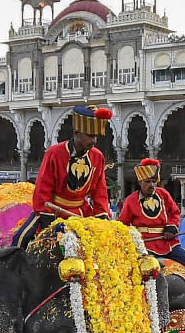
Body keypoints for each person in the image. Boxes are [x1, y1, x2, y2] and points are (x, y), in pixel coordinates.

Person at [12, 105, 112, 247]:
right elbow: (42, 189)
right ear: (76, 132)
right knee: (20, 240)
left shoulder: (98, 156)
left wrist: (101, 217)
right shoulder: (55, 153)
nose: (94, 140)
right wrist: (47, 217)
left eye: (96, 136)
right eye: (90, 136)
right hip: (52, 209)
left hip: (81, 212)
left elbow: (100, 192)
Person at [117, 159, 185, 271]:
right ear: (140, 182)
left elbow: (174, 213)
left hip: (168, 241)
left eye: (154, 181)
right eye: (147, 181)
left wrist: (171, 228)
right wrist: (133, 239)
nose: (151, 185)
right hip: (144, 244)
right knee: (142, 270)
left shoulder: (163, 194)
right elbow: (122, 224)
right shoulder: (130, 200)